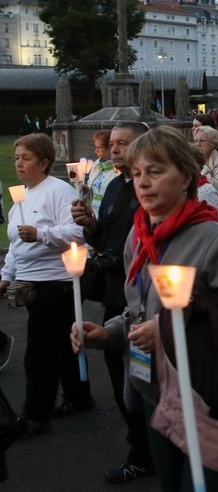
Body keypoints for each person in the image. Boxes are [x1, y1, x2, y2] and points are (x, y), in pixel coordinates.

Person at [72, 126, 218, 491]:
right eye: (137, 174)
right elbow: (139, 310)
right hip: (154, 391)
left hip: (203, 394)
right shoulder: (138, 234)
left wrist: (171, 323)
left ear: (186, 178)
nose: (142, 183)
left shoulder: (211, 238)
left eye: (155, 171)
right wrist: (111, 333)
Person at [70, 121, 153, 483]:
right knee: (121, 373)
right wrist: (90, 224)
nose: (114, 148)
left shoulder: (146, 189)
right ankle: (142, 446)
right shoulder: (119, 186)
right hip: (115, 293)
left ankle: (149, 450)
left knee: (142, 375)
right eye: (113, 143)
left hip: (142, 291)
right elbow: (107, 236)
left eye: (123, 143)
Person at [0, 133, 91, 437]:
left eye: (26, 158)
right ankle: (79, 397)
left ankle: (35, 416)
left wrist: (40, 234)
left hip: (56, 282)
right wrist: (7, 275)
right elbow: (14, 244)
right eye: (16, 158)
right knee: (65, 345)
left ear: (44, 162)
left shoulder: (59, 191)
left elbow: (77, 232)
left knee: (38, 352)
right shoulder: (21, 199)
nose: (19, 164)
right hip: (30, 281)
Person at [87, 130, 117, 220]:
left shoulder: (118, 168)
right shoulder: (97, 164)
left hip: (110, 215)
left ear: (110, 148)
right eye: (96, 147)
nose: (96, 151)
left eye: (100, 147)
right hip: (95, 214)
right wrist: (85, 190)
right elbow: (92, 187)